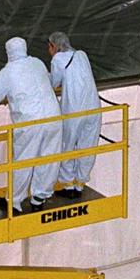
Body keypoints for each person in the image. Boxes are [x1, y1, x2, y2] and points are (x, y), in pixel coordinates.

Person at [0, 37, 62, 214]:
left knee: (23, 161)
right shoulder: (38, 63)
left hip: (30, 122)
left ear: (8, 52)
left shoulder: (9, 71)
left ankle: (14, 202)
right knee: (49, 157)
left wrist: (4, 96)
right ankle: (39, 197)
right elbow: (47, 82)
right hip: (53, 117)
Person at [48, 32, 101, 197]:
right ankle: (80, 183)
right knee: (88, 146)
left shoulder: (57, 59)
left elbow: (53, 83)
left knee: (67, 146)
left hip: (74, 110)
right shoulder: (81, 55)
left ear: (53, 46)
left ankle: (68, 185)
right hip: (94, 107)